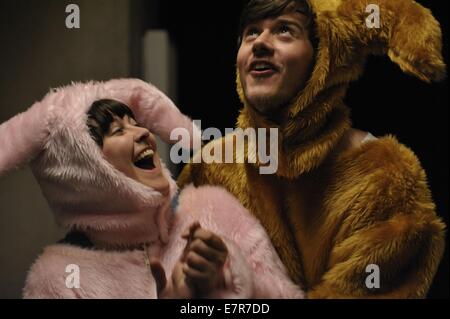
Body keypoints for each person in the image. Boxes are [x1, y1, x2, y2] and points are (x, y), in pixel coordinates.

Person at [178, 0, 447, 298]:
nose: (260, 44)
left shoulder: (385, 178)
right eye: (251, 33)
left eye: (284, 31)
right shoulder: (212, 165)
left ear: (323, 60)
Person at [0, 79, 304, 299]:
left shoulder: (215, 211)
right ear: (83, 174)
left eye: (135, 122)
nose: (144, 133)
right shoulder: (57, 280)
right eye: (118, 131)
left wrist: (225, 286)